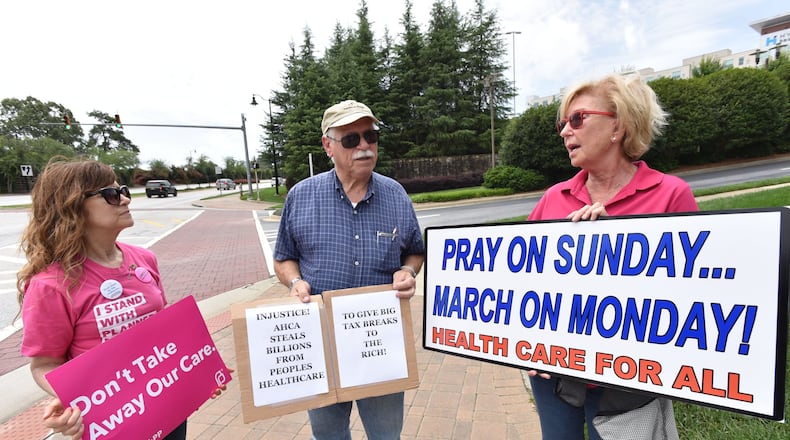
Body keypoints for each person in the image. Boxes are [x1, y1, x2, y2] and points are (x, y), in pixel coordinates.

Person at [527, 74, 698, 440]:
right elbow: (524, 278)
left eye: (577, 119)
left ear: (618, 124)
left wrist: (617, 245)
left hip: (630, 383)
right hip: (557, 376)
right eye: (563, 123)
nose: (564, 132)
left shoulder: (672, 195)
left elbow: (693, 297)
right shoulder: (553, 198)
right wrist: (526, 346)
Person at [16, 158, 219, 439]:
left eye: (122, 190)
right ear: (72, 207)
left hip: (167, 405)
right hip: (116, 420)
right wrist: (74, 399)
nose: (125, 199)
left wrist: (200, 368)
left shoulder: (144, 259)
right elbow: (44, 364)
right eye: (110, 195)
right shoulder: (51, 285)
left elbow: (163, 328)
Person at [274, 99, 425, 439]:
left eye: (370, 137)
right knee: (328, 435)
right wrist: (295, 282)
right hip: (321, 345)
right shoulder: (301, 196)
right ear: (328, 145)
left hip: (379, 344)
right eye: (351, 139)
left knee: (386, 436)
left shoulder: (396, 195)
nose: (364, 147)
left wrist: (408, 271)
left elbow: (415, 251)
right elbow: (283, 258)